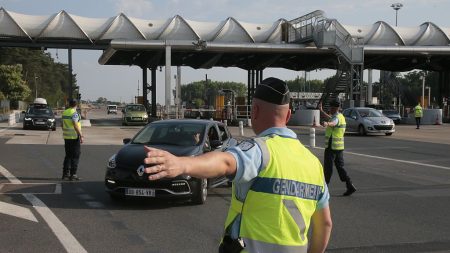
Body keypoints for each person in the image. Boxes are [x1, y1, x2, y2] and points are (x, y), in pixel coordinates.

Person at [143, 77, 332, 253]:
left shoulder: (260, 150)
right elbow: (325, 224)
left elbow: (225, 162)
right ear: (289, 115)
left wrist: (182, 164)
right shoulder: (313, 164)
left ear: (254, 111)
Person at [319, 100, 356, 196]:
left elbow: (333, 122)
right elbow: (332, 119)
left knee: (328, 168)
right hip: (339, 147)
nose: (330, 109)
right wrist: (321, 111)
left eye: (331, 108)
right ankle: (350, 185)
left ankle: (324, 190)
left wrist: (327, 124)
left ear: (335, 108)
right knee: (340, 168)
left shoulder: (337, 118)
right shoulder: (340, 116)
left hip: (331, 147)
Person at [61, 99, 83, 181]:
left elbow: (62, 125)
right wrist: (81, 135)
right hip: (74, 137)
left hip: (66, 137)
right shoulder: (75, 113)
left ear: (69, 104)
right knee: (75, 156)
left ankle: (65, 174)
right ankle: (73, 174)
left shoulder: (65, 112)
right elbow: (75, 125)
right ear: (76, 105)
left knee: (68, 156)